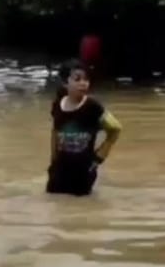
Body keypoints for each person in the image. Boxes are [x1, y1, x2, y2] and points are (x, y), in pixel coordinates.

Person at [47, 61, 121, 196]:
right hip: (59, 171)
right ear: (65, 82)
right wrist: (53, 162)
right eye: (77, 79)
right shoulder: (57, 105)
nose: (83, 83)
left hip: (83, 172)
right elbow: (55, 131)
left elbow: (115, 129)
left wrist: (98, 159)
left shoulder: (93, 107)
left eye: (86, 79)